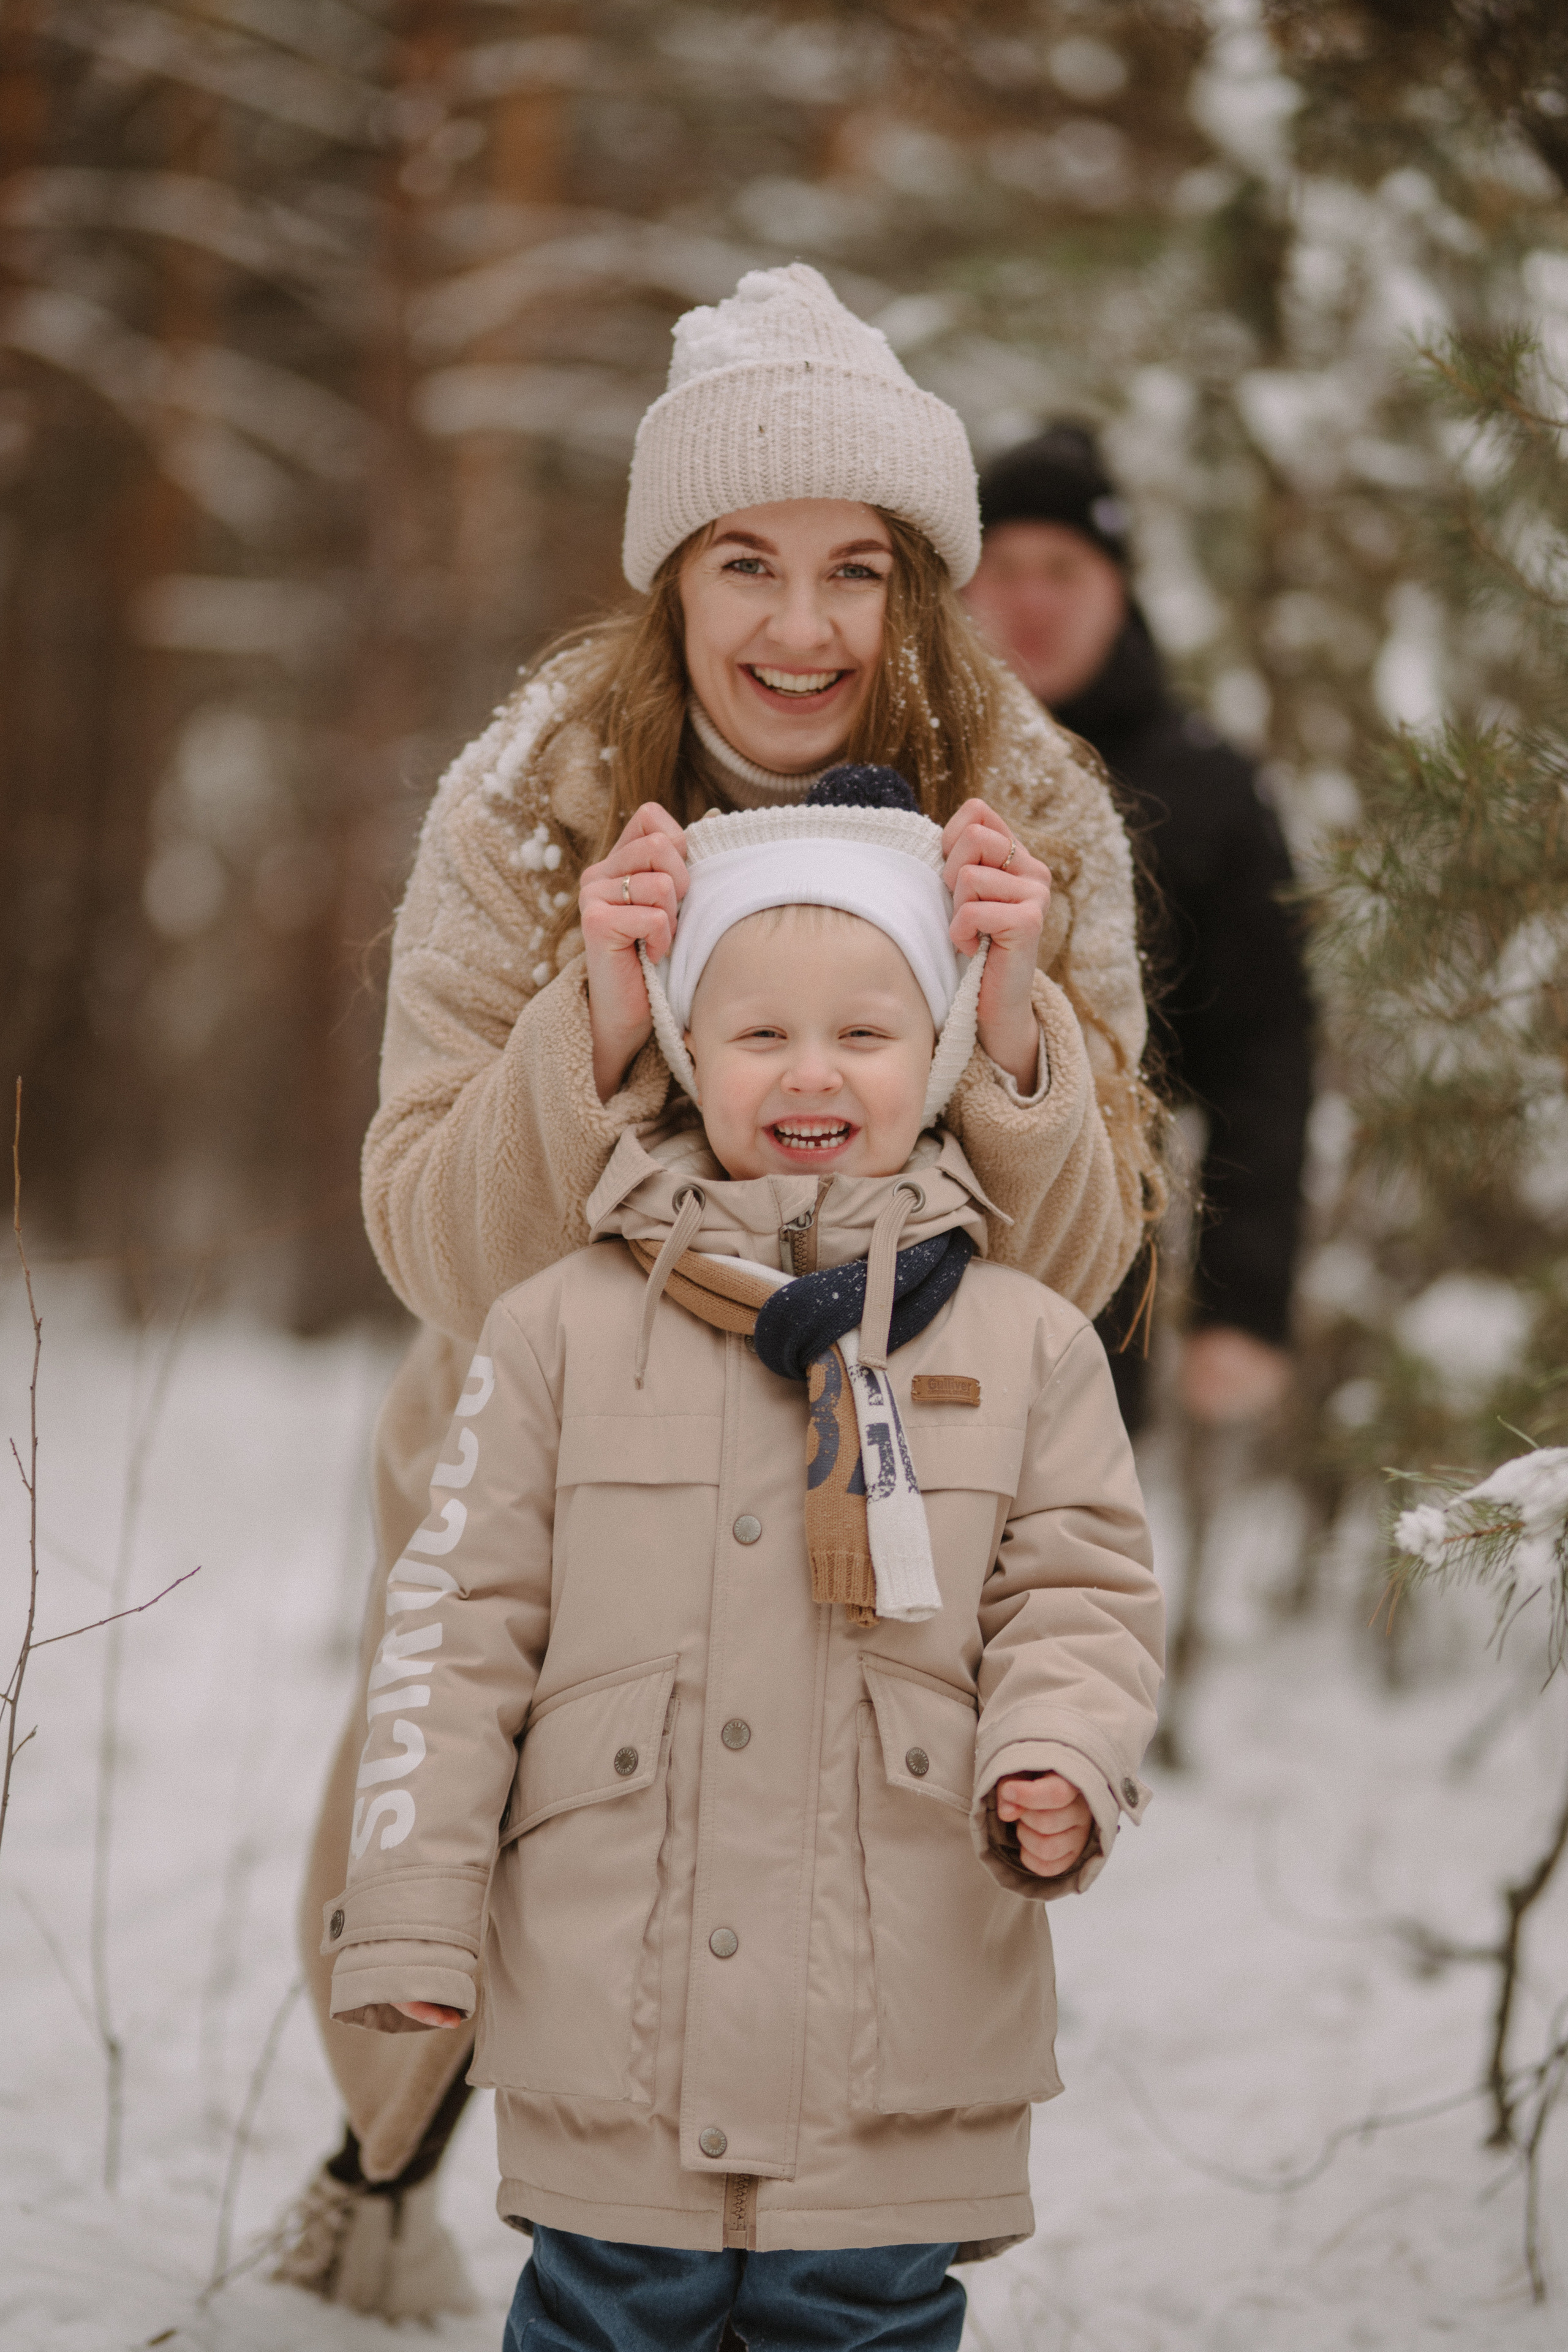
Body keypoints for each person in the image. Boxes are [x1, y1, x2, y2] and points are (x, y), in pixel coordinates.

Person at [276, 266, 1164, 2316]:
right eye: (746, 563)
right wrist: (581, 1032)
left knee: (836, 1891)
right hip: (553, 1444)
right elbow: (430, 1231)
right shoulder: (534, 801)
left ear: (922, 589)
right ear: (670, 576)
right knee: (465, 1838)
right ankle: (387, 2168)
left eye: (859, 570)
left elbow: (1073, 1274)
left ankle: (825, 2250)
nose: (801, 626)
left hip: (891, 1483)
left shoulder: (1026, 808)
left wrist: (1017, 1040)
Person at [963, 424, 1313, 1434]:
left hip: (1099, 1281)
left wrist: (1245, 1305)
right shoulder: (909, 758)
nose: (1032, 599)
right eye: (1006, 568)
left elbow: (1263, 1057)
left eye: (1064, 569)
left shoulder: (1208, 790)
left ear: (1117, 586)